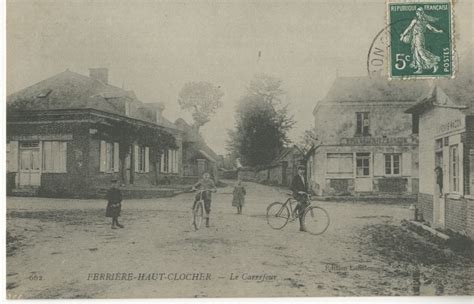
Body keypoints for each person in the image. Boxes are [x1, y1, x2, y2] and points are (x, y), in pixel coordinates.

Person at [400, 7, 444, 74]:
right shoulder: (417, 20)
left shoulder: (422, 21)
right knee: (416, 53)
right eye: (417, 12)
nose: (417, 13)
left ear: (421, 13)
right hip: (416, 37)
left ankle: (434, 64)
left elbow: (431, 28)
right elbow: (409, 28)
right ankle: (420, 69)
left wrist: (438, 31)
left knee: (421, 52)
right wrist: (403, 34)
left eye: (419, 12)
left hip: (419, 37)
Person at [291, 165, 309, 232]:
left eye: (303, 170)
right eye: (301, 169)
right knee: (301, 209)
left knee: (303, 209)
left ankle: (301, 226)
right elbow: (291, 187)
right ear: (298, 170)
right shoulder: (296, 177)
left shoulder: (304, 177)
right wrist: (298, 191)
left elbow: (305, 188)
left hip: (303, 195)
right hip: (297, 194)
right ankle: (302, 226)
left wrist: (308, 193)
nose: (302, 171)